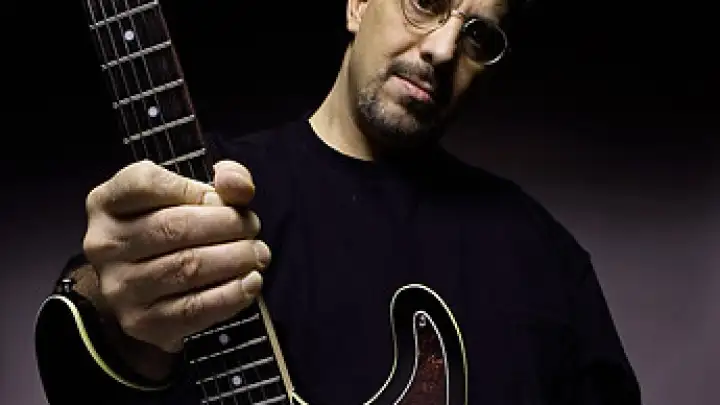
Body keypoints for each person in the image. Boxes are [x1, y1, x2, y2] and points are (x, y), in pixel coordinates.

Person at [36, 0, 642, 404]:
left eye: (478, 35)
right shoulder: (203, 186)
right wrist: (110, 301)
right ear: (357, 4)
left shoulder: (542, 255)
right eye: (425, 1)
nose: (442, 49)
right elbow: (96, 352)